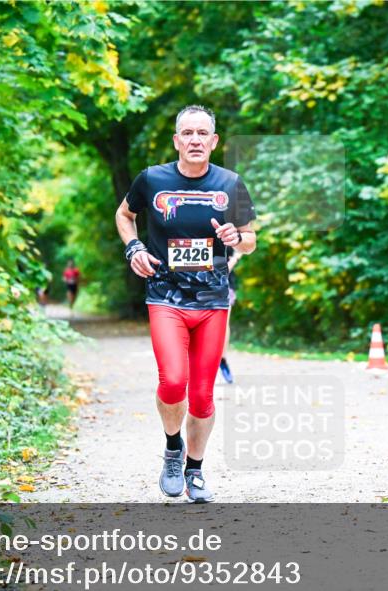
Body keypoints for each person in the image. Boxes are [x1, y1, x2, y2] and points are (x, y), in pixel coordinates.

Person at [114, 105, 257, 503]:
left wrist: (235, 238)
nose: (195, 140)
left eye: (202, 134)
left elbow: (250, 239)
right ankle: (172, 447)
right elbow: (124, 216)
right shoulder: (152, 180)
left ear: (213, 142)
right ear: (177, 140)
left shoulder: (231, 184)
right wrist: (134, 247)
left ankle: (195, 471)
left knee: (203, 395)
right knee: (173, 381)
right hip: (165, 296)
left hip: (213, 300)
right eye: (187, 133)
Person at [218, 247, 242, 384]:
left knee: (223, 324)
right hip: (199, 285)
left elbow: (223, 271)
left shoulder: (230, 230)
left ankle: (222, 359)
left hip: (224, 285)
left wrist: (235, 258)